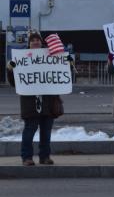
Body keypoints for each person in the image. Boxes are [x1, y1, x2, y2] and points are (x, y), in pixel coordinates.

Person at [7, 31, 68, 166]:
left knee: (46, 132)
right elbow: (13, 83)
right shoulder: (21, 60)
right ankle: (26, 157)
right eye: (32, 40)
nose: (35, 42)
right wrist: (10, 70)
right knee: (29, 131)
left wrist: (67, 63)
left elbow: (60, 75)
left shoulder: (50, 58)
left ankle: (44, 157)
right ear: (29, 44)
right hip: (30, 103)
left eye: (38, 40)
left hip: (48, 102)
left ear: (41, 43)